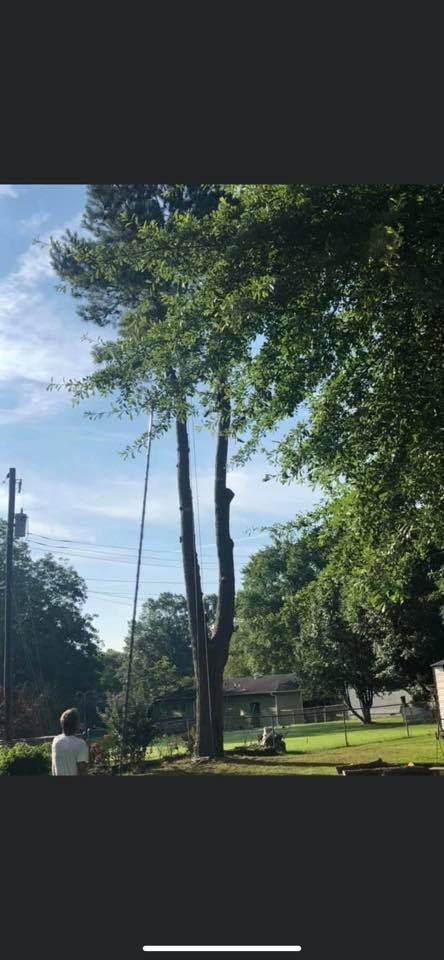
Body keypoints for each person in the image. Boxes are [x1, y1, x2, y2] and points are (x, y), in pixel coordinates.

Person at [51, 708, 89, 776]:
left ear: (62, 724)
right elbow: (82, 770)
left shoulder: (55, 740)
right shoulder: (81, 744)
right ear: (77, 724)